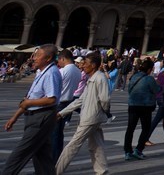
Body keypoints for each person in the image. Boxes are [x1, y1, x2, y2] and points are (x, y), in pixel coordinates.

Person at [2, 44, 61, 175]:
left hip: (41, 117)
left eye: (37, 55)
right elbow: (29, 98)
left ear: (48, 58)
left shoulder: (51, 73)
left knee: (19, 155)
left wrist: (29, 102)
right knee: (42, 156)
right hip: (35, 116)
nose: (33, 58)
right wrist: (15, 117)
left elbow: (52, 99)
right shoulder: (41, 72)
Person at [56, 52, 110, 175]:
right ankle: (102, 171)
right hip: (92, 117)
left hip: (90, 118)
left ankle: (56, 171)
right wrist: (61, 113)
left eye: (85, 63)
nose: (83, 65)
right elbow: (80, 100)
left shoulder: (100, 78)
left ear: (94, 65)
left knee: (72, 146)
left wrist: (102, 111)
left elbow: (105, 100)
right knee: (97, 146)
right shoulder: (92, 79)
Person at [123, 58, 158, 161]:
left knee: (130, 128)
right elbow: (156, 90)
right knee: (146, 128)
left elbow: (129, 89)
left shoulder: (134, 77)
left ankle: (127, 151)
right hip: (145, 106)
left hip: (133, 105)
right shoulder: (150, 79)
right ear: (149, 69)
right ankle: (138, 150)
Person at [52, 48, 83, 162]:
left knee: (54, 134)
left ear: (63, 58)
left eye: (59, 59)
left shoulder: (62, 71)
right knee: (59, 133)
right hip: (68, 102)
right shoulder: (77, 71)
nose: (58, 62)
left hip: (59, 103)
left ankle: (53, 160)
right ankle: (58, 157)